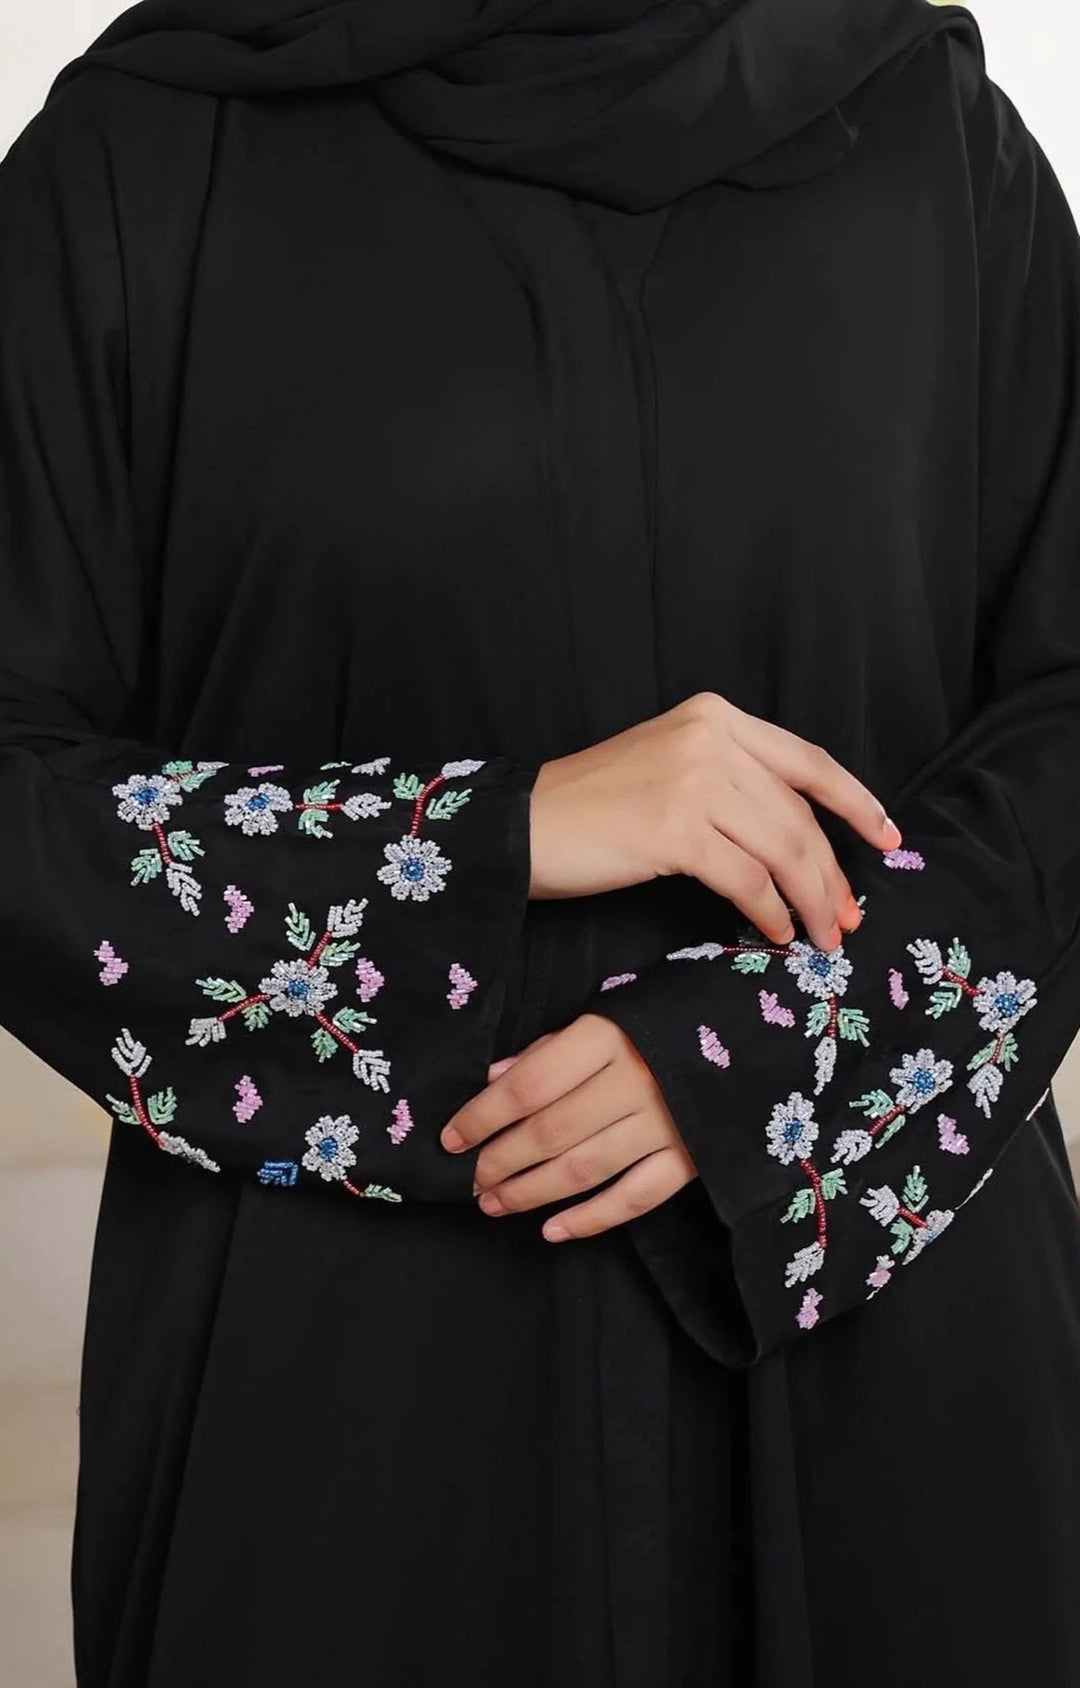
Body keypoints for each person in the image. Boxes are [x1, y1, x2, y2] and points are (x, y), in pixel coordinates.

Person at [2, 0, 1079, 1682]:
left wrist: (762, 1056)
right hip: (345, 1420)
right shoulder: (144, 162)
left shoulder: (932, 152)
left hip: (885, 1369)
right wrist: (495, 837)